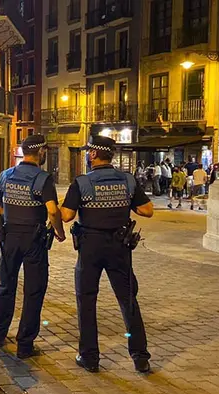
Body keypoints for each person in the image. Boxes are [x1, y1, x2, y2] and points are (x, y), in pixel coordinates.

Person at [60, 135, 154, 374]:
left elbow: (67, 215)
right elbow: (147, 210)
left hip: (90, 247)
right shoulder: (127, 180)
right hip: (119, 247)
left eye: (87, 152)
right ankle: (140, 356)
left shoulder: (81, 183)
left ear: (93, 155)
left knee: (87, 300)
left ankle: (90, 357)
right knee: (128, 301)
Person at [0, 135, 66, 359]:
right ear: (41, 151)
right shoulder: (43, 178)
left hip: (10, 238)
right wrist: (59, 232)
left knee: (6, 286)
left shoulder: (5, 175)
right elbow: (52, 211)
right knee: (33, 291)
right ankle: (25, 344)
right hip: (34, 239)